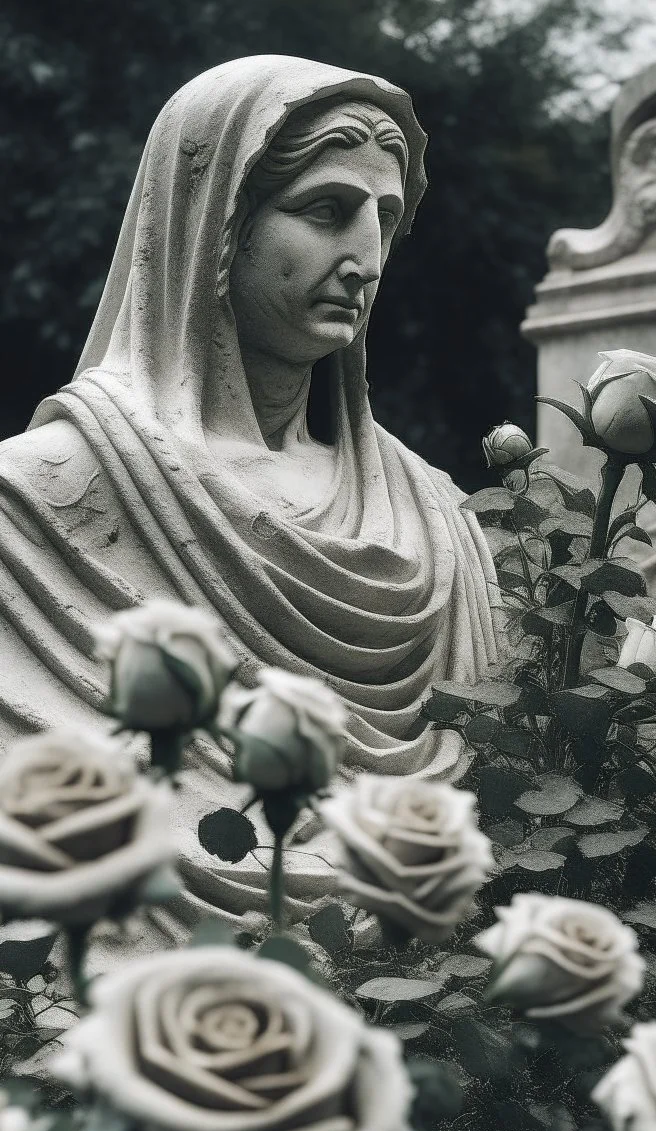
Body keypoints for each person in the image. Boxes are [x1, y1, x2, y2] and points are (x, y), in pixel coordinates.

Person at [0, 55, 504, 926]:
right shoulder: (39, 497)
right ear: (213, 224)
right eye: (324, 211)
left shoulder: (438, 518)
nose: (366, 257)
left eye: (386, 220)